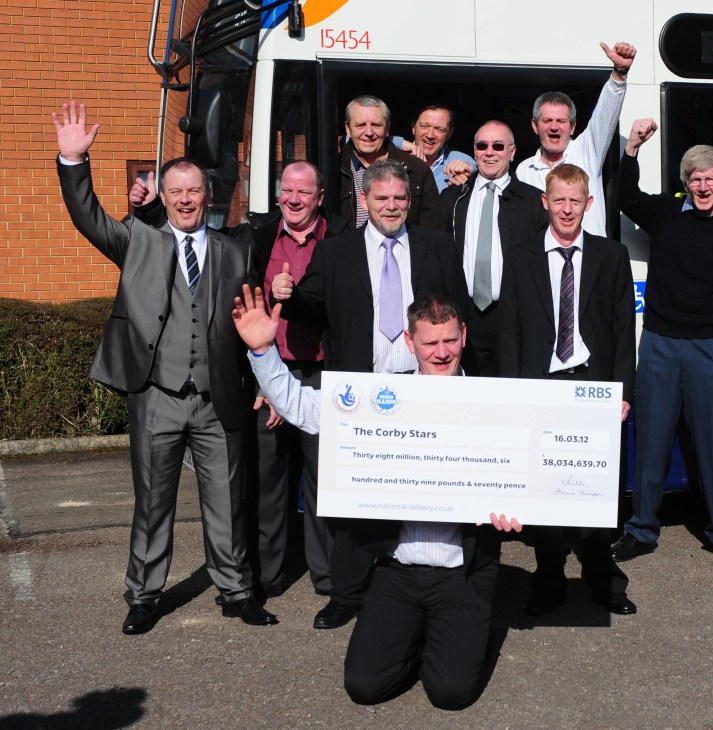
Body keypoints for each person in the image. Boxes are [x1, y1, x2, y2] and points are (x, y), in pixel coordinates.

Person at [232, 287, 520, 709]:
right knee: (364, 687)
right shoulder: (382, 398)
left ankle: (462, 635)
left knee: (451, 693)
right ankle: (422, 635)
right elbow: (301, 407)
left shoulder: (498, 403)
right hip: (397, 572)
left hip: (461, 575)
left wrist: (516, 509)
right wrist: (262, 353)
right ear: (409, 342)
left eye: (449, 340)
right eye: (429, 342)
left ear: (464, 334)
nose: (441, 352)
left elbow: (529, 477)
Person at [52, 101, 276, 633]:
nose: (184, 199)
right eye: (175, 191)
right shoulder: (138, 241)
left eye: (193, 190)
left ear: (207, 195)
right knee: (152, 501)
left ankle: (235, 588)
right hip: (155, 396)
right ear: (166, 197)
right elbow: (89, 217)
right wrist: (72, 160)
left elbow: (252, 327)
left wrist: (266, 384)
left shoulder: (233, 252)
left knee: (226, 500)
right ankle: (144, 596)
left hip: (217, 396)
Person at [130, 160, 348, 604]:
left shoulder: (342, 238)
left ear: (320, 197)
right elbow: (180, 241)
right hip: (270, 373)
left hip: (322, 373)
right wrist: (260, 382)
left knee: (326, 483)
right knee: (266, 485)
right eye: (287, 189)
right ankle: (264, 581)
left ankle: (329, 582)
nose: (294, 198)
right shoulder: (256, 236)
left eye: (304, 192)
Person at [272, 158, 470, 629]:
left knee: (425, 489)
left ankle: (426, 582)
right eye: (381, 199)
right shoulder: (336, 252)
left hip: (424, 388)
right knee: (357, 497)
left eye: (400, 198)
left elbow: (460, 317)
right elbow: (310, 309)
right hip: (361, 392)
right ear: (364, 201)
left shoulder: (437, 246)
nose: (392, 206)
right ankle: (349, 593)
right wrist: (287, 293)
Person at [612, 119, 713, 569]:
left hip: (710, 347)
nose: (703, 185)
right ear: (686, 183)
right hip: (659, 342)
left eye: (711, 178)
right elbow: (624, 197)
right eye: (695, 178)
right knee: (651, 439)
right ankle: (641, 530)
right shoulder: (666, 213)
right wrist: (631, 150)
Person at [500, 163, 635, 616]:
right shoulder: (520, 257)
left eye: (575, 201)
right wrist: (514, 397)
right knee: (545, 489)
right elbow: (510, 331)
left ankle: (601, 578)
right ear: (545, 201)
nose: (566, 209)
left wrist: (623, 392)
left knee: (595, 489)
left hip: (592, 386)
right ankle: (549, 579)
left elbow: (622, 333)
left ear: (588, 204)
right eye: (558, 199)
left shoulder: (610, 256)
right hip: (541, 387)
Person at [440, 120, 549, 375]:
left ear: (512, 152)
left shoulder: (532, 201)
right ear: (475, 151)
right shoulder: (454, 197)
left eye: (498, 146)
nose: (490, 152)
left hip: (512, 315)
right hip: (464, 314)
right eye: (482, 145)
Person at [516, 41, 636, 238]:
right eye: (547, 121)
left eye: (561, 121)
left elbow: (605, 114)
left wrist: (619, 73)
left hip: (587, 261)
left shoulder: (587, 151)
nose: (554, 126)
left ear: (572, 127)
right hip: (542, 263)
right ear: (535, 126)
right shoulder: (523, 170)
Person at [340, 95, 444, 230]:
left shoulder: (417, 169)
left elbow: (433, 229)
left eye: (376, 125)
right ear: (348, 129)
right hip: (350, 250)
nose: (369, 132)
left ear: (387, 128)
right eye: (360, 125)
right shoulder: (333, 169)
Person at [409, 105, 475, 191]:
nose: (430, 135)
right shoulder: (395, 156)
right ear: (413, 128)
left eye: (439, 129)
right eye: (424, 126)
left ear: (449, 134)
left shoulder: (460, 160)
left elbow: (485, 170)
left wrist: (472, 170)